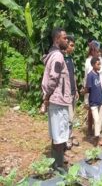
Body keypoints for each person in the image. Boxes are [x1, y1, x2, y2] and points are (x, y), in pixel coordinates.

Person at [41, 27, 72, 173]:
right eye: (64, 38)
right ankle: (58, 166)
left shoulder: (53, 55)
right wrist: (47, 97)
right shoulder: (58, 57)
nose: (66, 40)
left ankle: (56, 164)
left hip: (56, 99)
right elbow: (53, 79)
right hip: (58, 100)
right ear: (56, 39)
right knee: (60, 134)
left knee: (56, 133)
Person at [64, 35, 80, 149]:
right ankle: (67, 139)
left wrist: (77, 90)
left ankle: (70, 135)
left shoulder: (70, 59)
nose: (73, 48)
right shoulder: (62, 59)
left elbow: (73, 75)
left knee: (72, 117)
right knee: (68, 118)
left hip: (73, 92)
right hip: (66, 93)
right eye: (71, 45)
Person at [85, 57, 102, 146]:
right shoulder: (90, 75)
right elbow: (88, 88)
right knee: (96, 120)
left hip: (99, 101)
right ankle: (96, 138)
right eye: (98, 64)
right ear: (93, 65)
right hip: (93, 102)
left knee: (100, 120)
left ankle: (98, 137)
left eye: (99, 64)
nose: (99, 65)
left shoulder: (97, 74)